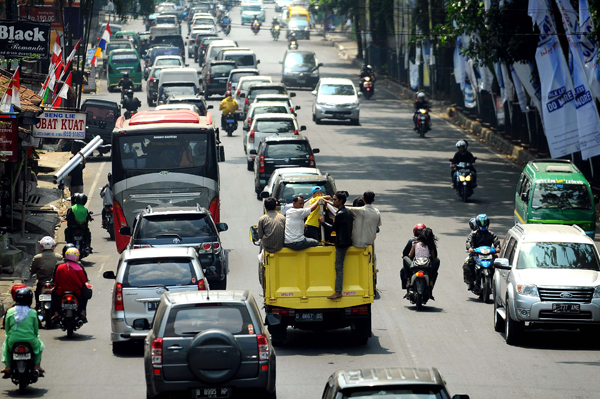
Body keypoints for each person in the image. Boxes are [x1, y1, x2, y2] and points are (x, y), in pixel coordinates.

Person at [1, 288, 45, 378]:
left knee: (6, 346)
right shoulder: (33, 312)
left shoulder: (10, 311)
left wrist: (10, 334)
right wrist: (35, 335)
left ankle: (8, 366)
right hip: (30, 339)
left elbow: (7, 327)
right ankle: (37, 366)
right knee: (40, 346)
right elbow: (36, 328)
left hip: (13, 339)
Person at [321, 192, 353, 300]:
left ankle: (338, 291)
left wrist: (322, 222)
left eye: (335, 200)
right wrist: (326, 202)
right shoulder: (346, 211)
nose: (333, 201)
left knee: (338, 267)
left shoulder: (340, 214)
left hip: (341, 243)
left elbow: (333, 228)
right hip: (347, 241)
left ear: (340, 201)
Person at [463, 214, 500, 291]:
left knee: (499, 265)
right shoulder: (473, 234)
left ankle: (496, 283)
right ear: (478, 223)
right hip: (476, 254)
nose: (483, 224)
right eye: (482, 222)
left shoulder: (491, 234)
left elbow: (496, 242)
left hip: (489, 254)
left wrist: (498, 248)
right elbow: (468, 242)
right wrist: (470, 248)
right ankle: (470, 283)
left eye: (485, 222)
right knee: (467, 263)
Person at [52, 248, 89, 323]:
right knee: (85, 296)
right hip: (76, 291)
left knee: (53, 296)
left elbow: (56, 280)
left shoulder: (60, 267)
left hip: (61, 291)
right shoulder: (78, 268)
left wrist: (54, 288)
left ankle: (56, 313)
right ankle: (82, 312)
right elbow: (84, 280)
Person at [402, 228, 440, 294]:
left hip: (415, 265)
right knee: (437, 260)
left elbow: (410, 256)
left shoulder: (415, 243)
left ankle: (408, 280)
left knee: (405, 258)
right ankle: (431, 282)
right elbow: (434, 257)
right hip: (427, 266)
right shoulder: (431, 244)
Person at [29, 236, 62, 306]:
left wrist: (32, 273)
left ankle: (38, 305)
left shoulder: (37, 257)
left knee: (37, 292)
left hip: (42, 282)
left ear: (41, 246)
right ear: (53, 246)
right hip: (55, 282)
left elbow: (32, 270)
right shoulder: (59, 257)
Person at [400, 223, 426, 288]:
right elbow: (434, 255)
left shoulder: (413, 241)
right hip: (426, 264)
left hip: (415, 264)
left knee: (404, 265)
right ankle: (431, 284)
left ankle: (408, 281)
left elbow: (406, 253)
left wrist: (404, 256)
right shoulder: (429, 241)